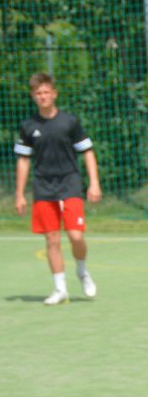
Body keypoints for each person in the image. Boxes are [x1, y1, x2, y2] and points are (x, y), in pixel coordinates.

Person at [14, 72, 101, 305]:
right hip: (43, 187)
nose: (42, 96)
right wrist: (20, 194)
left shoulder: (69, 122)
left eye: (46, 92)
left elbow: (88, 152)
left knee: (75, 235)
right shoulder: (28, 126)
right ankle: (60, 288)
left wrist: (94, 183)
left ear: (54, 93)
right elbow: (23, 161)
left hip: (69, 183)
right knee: (52, 239)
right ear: (33, 96)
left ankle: (82, 271)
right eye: (37, 93)